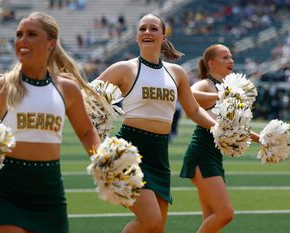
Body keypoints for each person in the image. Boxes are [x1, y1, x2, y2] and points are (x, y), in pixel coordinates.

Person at [0, 12, 105, 233]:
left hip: (49, 194)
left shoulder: (66, 89)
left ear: (51, 43)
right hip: (6, 192)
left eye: (31, 34)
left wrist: (104, 162)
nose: (22, 40)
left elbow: (87, 131)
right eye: (19, 34)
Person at [96, 13, 217, 233]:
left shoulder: (176, 73)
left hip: (159, 154)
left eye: (153, 29)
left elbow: (194, 110)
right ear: (136, 37)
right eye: (142, 29)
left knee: (157, 227)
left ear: (163, 35)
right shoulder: (125, 68)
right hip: (129, 150)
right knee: (150, 220)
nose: (147, 33)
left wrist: (218, 128)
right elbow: (89, 96)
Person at [179, 44, 260, 233]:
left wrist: (263, 140)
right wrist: (220, 95)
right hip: (201, 153)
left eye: (231, 57)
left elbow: (236, 128)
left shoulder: (229, 89)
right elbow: (188, 95)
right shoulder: (207, 84)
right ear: (211, 63)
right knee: (225, 214)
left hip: (214, 156)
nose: (231, 61)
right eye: (225, 57)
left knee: (211, 219)